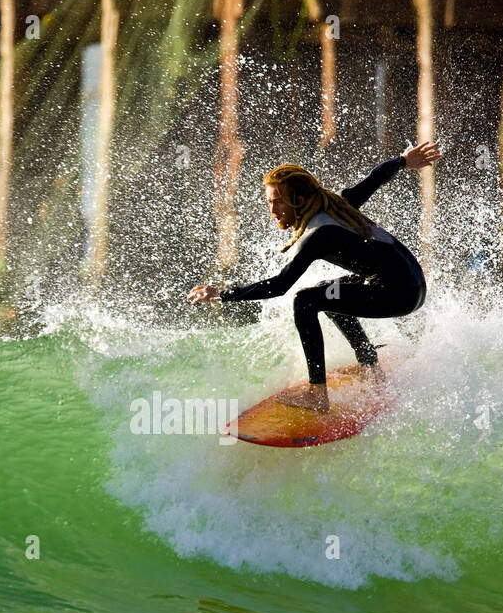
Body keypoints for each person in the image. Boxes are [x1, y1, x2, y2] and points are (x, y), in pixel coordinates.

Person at [188, 141, 441, 411]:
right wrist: (402, 160)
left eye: (277, 202)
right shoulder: (336, 204)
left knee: (305, 300)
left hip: (399, 294)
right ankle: (370, 366)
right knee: (328, 292)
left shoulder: (318, 235)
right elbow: (374, 179)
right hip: (412, 284)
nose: (273, 211)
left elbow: (279, 285)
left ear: (298, 200)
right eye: (269, 203)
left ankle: (317, 394)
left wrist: (222, 294)